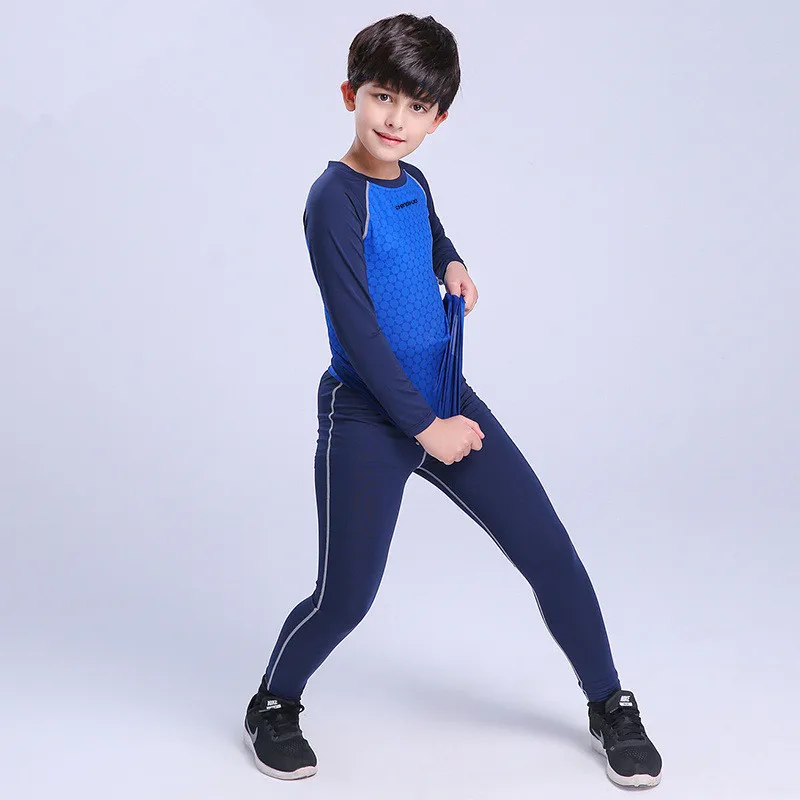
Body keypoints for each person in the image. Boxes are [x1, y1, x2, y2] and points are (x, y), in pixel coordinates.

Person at [242, 12, 662, 789]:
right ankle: (274, 701)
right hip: (369, 414)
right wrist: (426, 427)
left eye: (416, 106)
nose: (395, 120)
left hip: (444, 396)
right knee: (345, 597)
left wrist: (453, 261)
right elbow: (359, 332)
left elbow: (428, 229)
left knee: (550, 553)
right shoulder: (333, 199)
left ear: (439, 118)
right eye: (382, 98)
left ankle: (610, 702)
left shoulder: (413, 180)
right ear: (350, 95)